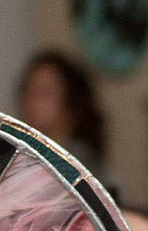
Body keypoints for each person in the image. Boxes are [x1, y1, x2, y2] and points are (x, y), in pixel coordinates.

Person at [16, 49, 116, 193]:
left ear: (70, 104)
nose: (30, 103)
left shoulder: (82, 168)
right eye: (27, 92)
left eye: (44, 94)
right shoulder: (20, 162)